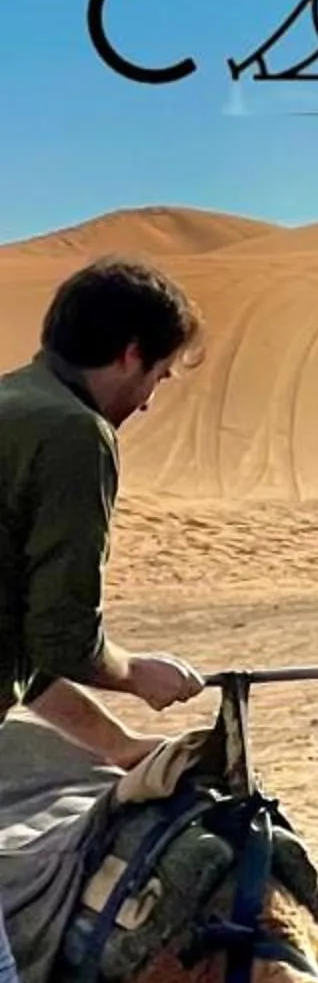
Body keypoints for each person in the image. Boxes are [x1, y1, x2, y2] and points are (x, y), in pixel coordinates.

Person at [0, 257, 206, 771]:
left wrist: (116, 743)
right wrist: (133, 672)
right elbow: (62, 637)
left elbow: (20, 642)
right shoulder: (73, 433)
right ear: (131, 355)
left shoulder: (14, 403)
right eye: (159, 376)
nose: (146, 405)